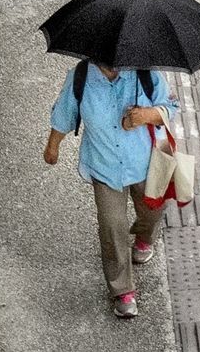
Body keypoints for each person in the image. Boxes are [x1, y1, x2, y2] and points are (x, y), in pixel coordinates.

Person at [43, 64, 180, 319]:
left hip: (147, 162)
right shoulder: (81, 77)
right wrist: (53, 146)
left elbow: (171, 108)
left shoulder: (145, 73)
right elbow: (64, 113)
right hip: (104, 166)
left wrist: (147, 115)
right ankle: (122, 290)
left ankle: (143, 238)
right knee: (111, 225)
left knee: (153, 210)